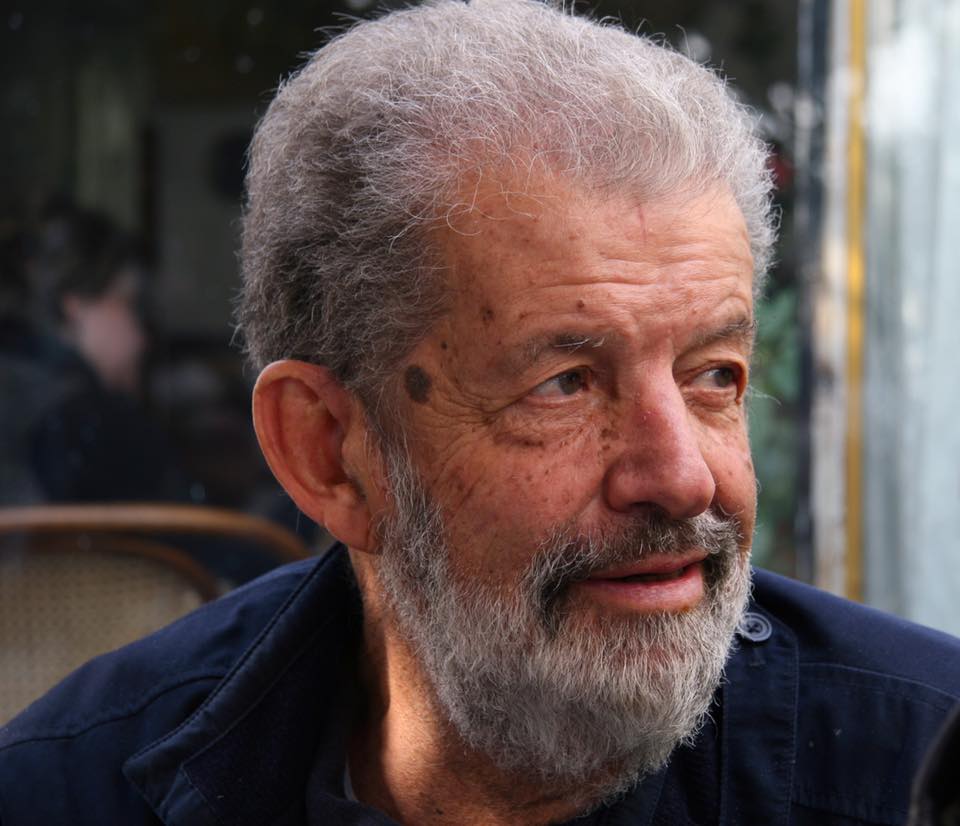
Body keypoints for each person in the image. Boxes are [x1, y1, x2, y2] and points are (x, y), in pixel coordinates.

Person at [1, 1, 959, 823]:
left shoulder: (920, 767)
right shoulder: (69, 790)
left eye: (714, 374)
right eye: (566, 384)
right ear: (328, 451)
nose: (681, 477)